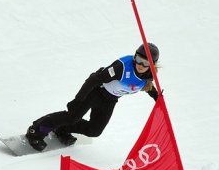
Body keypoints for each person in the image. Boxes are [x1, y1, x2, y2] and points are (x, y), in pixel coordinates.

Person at [25, 43, 160, 152]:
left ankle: (63, 128)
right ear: (134, 56)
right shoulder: (122, 67)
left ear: (152, 65)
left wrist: (157, 98)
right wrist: (78, 99)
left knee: (95, 130)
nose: (141, 65)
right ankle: (36, 130)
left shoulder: (147, 77)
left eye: (146, 63)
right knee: (72, 116)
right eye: (138, 60)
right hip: (96, 90)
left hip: (110, 100)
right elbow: (94, 80)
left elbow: (149, 88)